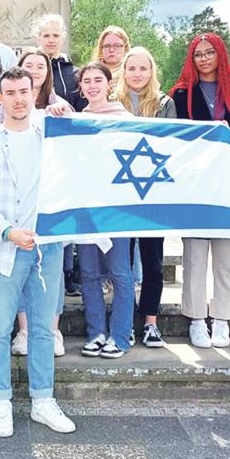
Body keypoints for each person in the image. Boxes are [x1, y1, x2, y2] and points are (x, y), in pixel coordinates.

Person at [0, 67, 75, 438]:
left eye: (24, 91)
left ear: (35, 94)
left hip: (47, 248)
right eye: (10, 92)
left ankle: (42, 400)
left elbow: (86, 149)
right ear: (0, 99)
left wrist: (67, 114)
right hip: (6, 249)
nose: (18, 98)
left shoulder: (51, 137)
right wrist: (8, 231)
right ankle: (2, 400)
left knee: (44, 330)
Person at [169, 32, 230, 348]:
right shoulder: (181, 94)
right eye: (197, 54)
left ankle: (222, 319)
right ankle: (196, 319)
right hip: (195, 185)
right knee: (195, 255)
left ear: (220, 55)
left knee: (225, 257)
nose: (203, 59)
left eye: (209, 53)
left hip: (228, 183)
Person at [72, 63, 136, 359]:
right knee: (88, 272)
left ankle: (121, 335)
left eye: (98, 80)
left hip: (116, 206)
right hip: (85, 205)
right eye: (87, 81)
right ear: (81, 87)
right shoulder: (75, 119)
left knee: (120, 272)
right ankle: (96, 332)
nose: (93, 85)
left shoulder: (124, 118)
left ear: (109, 84)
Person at [113, 47, 176, 349]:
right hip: (120, 192)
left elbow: (171, 145)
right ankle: (124, 322)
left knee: (152, 262)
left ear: (152, 72)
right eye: (132, 68)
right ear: (123, 72)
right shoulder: (112, 103)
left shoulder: (165, 104)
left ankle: (150, 322)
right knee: (122, 264)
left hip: (154, 194)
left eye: (143, 69)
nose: (137, 74)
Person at [32, 14, 86, 110]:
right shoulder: (27, 71)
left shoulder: (76, 74)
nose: (51, 40)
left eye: (56, 35)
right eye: (46, 36)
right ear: (38, 38)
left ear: (63, 38)